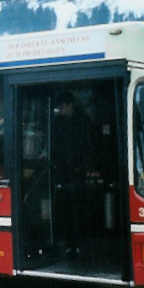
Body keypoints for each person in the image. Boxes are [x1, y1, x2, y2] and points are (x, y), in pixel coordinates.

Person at [51, 90, 93, 258]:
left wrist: (82, 168)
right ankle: (69, 244)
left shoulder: (83, 122)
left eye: (62, 107)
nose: (60, 111)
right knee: (65, 210)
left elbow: (89, 147)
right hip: (62, 173)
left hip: (77, 173)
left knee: (78, 210)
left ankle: (79, 243)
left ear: (70, 105)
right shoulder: (58, 122)